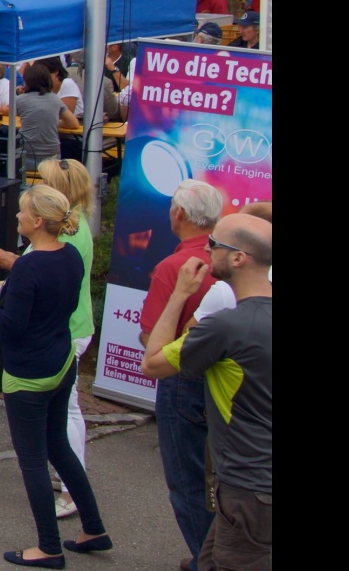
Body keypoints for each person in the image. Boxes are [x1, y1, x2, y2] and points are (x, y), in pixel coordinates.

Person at [0, 186, 109, 565]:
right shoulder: (70, 256)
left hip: (29, 373)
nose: (17, 216)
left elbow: (10, 327)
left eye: (22, 212)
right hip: (62, 361)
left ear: (38, 222)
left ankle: (48, 546)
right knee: (58, 446)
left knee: (32, 460)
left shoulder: (29, 266)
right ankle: (93, 527)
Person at [141, 213, 272, 571]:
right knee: (208, 560)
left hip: (249, 487)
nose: (206, 250)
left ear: (238, 258)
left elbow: (152, 363)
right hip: (256, 484)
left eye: (213, 244)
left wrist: (180, 293)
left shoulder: (227, 326)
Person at [0, 159, 99, 520]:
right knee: (61, 423)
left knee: (60, 423)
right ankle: (80, 504)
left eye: (44, 182)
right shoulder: (69, 230)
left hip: (59, 337)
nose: (36, 186)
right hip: (64, 333)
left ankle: (67, 497)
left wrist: (3, 282)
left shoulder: (67, 237)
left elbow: (36, 289)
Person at [140, 178, 224, 570]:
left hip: (183, 379)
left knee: (187, 481)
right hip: (227, 381)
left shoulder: (174, 267)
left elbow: (151, 339)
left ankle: (207, 560)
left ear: (179, 214)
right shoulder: (232, 262)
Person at [11, 63, 79, 174]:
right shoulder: (55, 99)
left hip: (26, 155)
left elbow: (9, 116)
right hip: (52, 158)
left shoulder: (20, 100)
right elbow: (73, 123)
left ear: (26, 82)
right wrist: (51, 121)